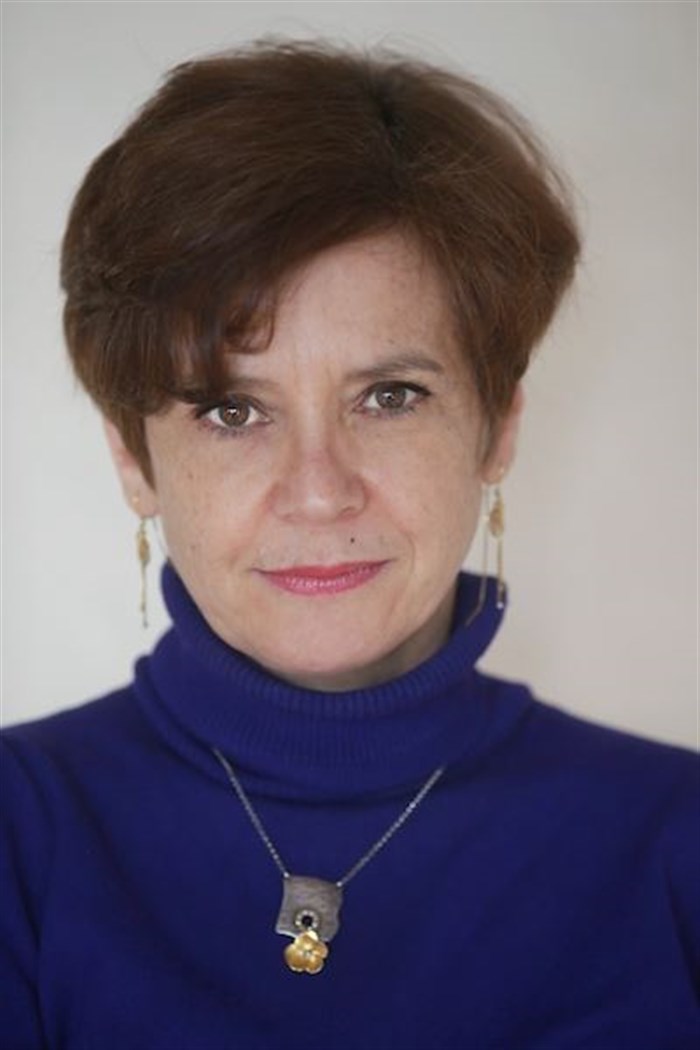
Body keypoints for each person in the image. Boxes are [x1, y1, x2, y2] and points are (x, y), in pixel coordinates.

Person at [1, 39, 697, 1050]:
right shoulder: (18, 837)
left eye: (390, 396)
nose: (320, 492)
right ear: (133, 460)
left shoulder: (677, 841)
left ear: (496, 429)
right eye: (233, 410)